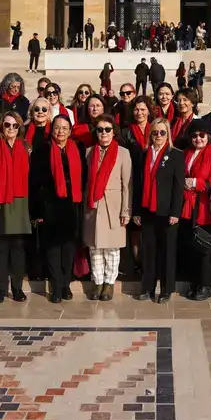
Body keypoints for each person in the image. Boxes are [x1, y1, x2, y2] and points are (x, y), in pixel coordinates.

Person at [30, 115, 84, 303]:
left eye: (64, 128)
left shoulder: (78, 149)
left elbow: (83, 179)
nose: (60, 131)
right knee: (52, 248)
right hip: (49, 206)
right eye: (57, 128)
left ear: (70, 130)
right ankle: (56, 285)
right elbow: (34, 182)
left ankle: (66, 284)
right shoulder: (42, 150)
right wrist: (37, 211)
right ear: (51, 130)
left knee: (68, 247)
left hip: (71, 205)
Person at [0, 111, 32, 304]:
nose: (11, 129)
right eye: (7, 125)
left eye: (15, 125)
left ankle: (17, 288)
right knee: (0, 249)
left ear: (19, 128)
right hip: (0, 205)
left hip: (20, 205)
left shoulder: (25, 148)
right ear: (1, 126)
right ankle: (1, 289)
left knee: (18, 250)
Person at [133, 118, 185, 302]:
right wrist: (136, 210)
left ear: (168, 134)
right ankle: (147, 288)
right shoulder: (143, 154)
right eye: (155, 132)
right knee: (148, 251)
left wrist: (175, 212)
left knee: (167, 252)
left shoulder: (176, 155)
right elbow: (138, 185)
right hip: (147, 210)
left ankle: (166, 289)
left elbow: (179, 187)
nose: (158, 136)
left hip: (167, 211)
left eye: (162, 132)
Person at [82, 114, 132, 302]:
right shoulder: (88, 152)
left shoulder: (123, 153)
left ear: (114, 132)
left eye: (108, 129)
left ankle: (109, 283)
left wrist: (126, 211)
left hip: (114, 205)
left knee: (111, 248)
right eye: (100, 129)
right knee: (94, 247)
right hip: (93, 205)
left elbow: (127, 184)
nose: (104, 133)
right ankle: (97, 282)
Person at [179, 119, 211, 300]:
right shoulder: (185, 153)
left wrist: (195, 183)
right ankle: (194, 282)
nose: (198, 138)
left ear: (208, 137)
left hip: (204, 207)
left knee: (204, 248)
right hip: (186, 207)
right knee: (191, 248)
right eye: (194, 135)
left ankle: (206, 285)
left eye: (202, 135)